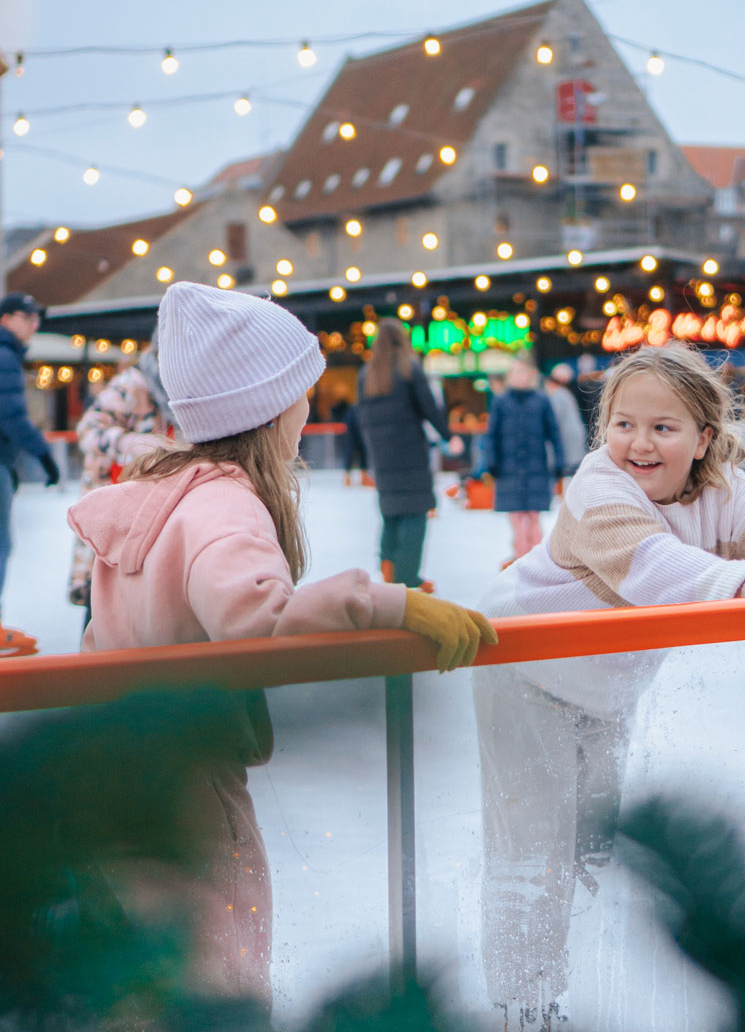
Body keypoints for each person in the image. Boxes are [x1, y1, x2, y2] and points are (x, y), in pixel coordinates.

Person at [66, 282, 497, 1009]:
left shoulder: (159, 493)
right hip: (190, 787)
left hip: (115, 773)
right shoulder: (223, 505)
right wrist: (393, 601)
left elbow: (93, 640)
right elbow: (258, 627)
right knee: (219, 971)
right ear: (267, 407)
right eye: (301, 389)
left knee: (145, 977)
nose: (310, 405)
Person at [471, 342, 745, 1024]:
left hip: (606, 685)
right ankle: (527, 1004)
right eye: (623, 423)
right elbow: (652, 568)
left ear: (704, 438)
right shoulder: (598, 486)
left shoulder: (726, 490)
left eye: (663, 427)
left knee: (594, 844)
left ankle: (558, 964)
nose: (638, 443)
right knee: (534, 845)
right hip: (522, 667)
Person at [67, 331, 176, 622]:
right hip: (113, 504)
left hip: (152, 508)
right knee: (104, 595)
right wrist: (129, 444)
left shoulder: (180, 391)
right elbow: (88, 430)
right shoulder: (132, 384)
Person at [355, 317, 461, 589]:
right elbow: (429, 408)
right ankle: (406, 575)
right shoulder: (408, 368)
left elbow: (361, 419)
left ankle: (387, 564)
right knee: (415, 512)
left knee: (391, 511)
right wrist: (450, 437)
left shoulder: (367, 374)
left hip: (381, 458)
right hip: (410, 454)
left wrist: (369, 454)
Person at [0, 292, 60, 628]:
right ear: (6, 320)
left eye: (37, 318)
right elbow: (10, 415)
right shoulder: (4, 355)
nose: (34, 324)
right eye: (28, 316)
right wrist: (44, 455)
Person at [484, 356, 564, 566]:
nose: (519, 376)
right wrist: (491, 462)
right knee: (516, 516)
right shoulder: (501, 401)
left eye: (522, 372)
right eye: (515, 372)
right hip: (508, 468)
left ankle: (536, 558)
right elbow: (491, 434)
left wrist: (559, 462)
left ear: (530, 375)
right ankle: (521, 557)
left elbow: (554, 433)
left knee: (533, 515)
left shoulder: (541, 400)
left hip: (535, 467)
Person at [544, 363, 587, 484]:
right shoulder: (565, 393)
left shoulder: (557, 396)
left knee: (569, 472)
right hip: (575, 437)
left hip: (567, 439)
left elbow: (554, 420)